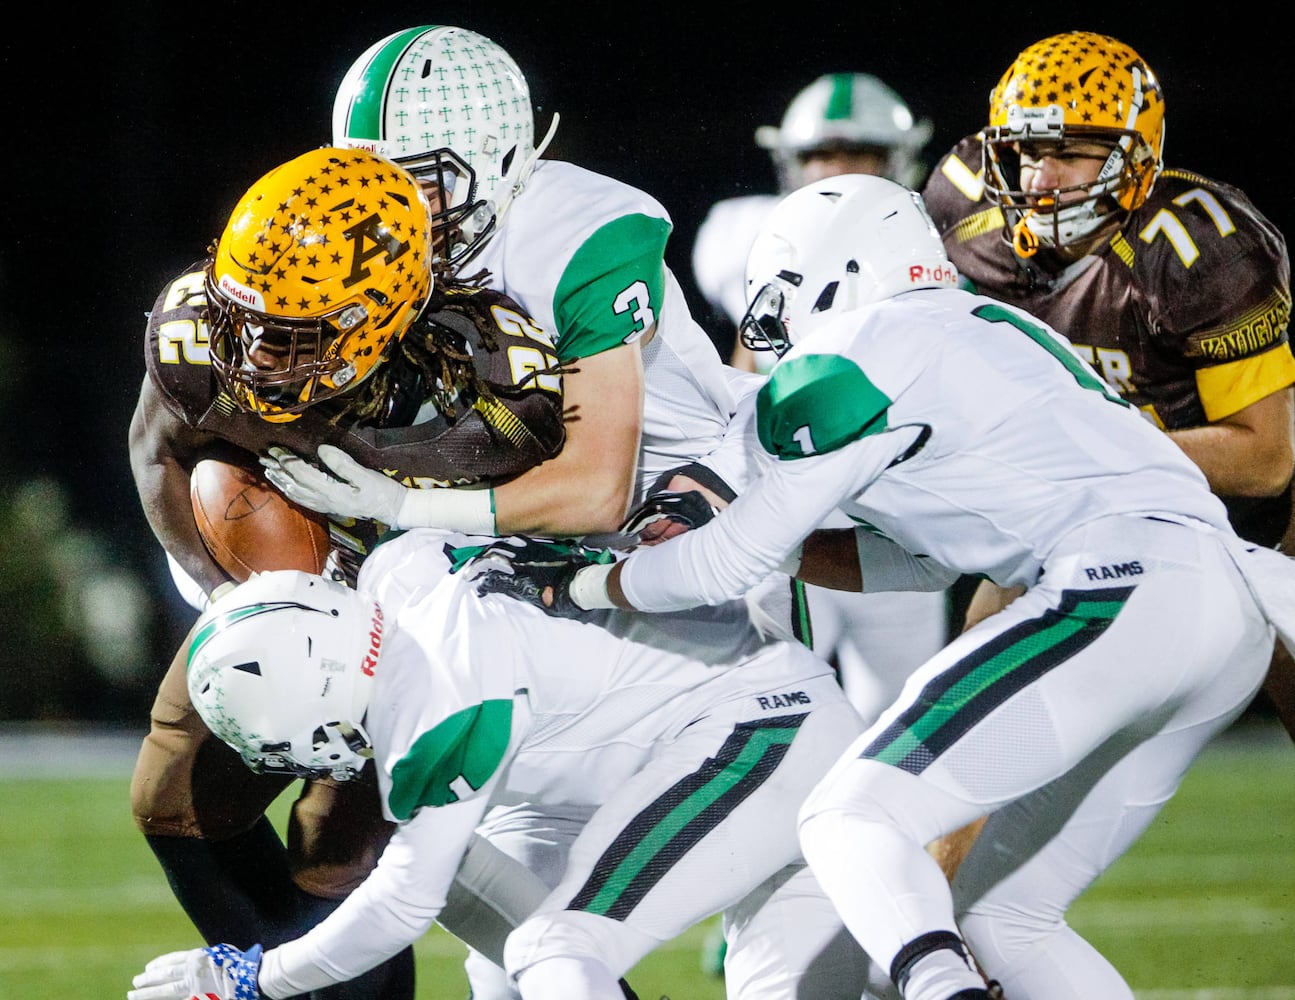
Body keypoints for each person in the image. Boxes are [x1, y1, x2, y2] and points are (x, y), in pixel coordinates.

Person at [468, 172, 1295, 998]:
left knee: (848, 818)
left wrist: (585, 589)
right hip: (1223, 614)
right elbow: (921, 560)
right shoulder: (989, 327)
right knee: (1002, 920)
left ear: (823, 273)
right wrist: (784, 546)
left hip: (1120, 589)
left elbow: (720, 564)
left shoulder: (859, 348)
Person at [264, 25, 814, 998]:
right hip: (540, 608)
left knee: (775, 959)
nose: (387, 211)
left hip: (704, 577)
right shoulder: (390, 256)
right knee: (518, 966)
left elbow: (598, 484)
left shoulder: (579, 231)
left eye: (418, 179)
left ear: (501, 155)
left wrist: (401, 501)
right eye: (369, 179)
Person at [128, 145, 567, 1000]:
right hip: (282, 595)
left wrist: (395, 482)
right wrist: (234, 598)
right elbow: (157, 455)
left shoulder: (480, 364)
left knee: (339, 847)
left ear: (380, 318)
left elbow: (552, 490)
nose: (252, 349)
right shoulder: (198, 336)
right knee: (173, 801)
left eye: (292, 332)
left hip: (421, 612)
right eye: (245, 316)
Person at [128, 530, 884, 1000]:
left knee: (554, 949)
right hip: (679, 733)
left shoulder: (436, 708)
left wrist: (252, 978)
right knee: (511, 976)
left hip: (761, 736)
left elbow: (398, 906)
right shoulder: (399, 568)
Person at [919, 30, 1295, 732]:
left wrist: (1078, 446)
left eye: (1067, 153)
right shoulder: (964, 205)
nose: (1038, 177)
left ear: (1135, 157)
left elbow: (1264, 459)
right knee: (965, 709)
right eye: (1027, 151)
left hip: (1243, 517)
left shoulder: (1196, 248)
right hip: (1075, 502)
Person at [690, 71, 946, 732]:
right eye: (818, 156)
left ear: (895, 162)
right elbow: (745, 364)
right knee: (766, 713)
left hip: (899, 521)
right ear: (788, 162)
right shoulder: (744, 234)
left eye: (857, 155)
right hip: (793, 518)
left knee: (908, 726)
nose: (836, 171)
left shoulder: (938, 245)